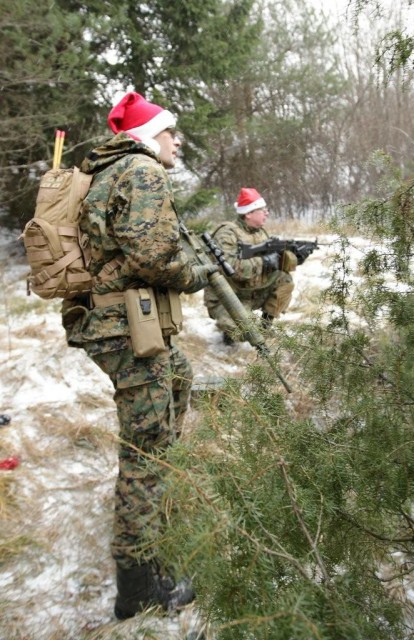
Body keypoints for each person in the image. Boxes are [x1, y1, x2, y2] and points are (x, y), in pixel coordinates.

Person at [61, 91, 217, 620]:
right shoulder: (142, 170)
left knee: (179, 379)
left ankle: (153, 521)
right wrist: (196, 275)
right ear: (151, 135)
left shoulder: (110, 170)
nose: (178, 142)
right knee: (145, 454)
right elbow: (154, 256)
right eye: (171, 132)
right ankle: (138, 587)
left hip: (119, 324)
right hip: (126, 329)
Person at [203, 187, 294, 344]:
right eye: (262, 210)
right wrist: (263, 261)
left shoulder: (260, 232)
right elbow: (230, 268)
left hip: (253, 292)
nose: (267, 213)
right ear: (248, 213)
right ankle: (229, 336)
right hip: (230, 297)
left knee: (284, 279)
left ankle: (265, 327)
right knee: (243, 333)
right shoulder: (227, 234)